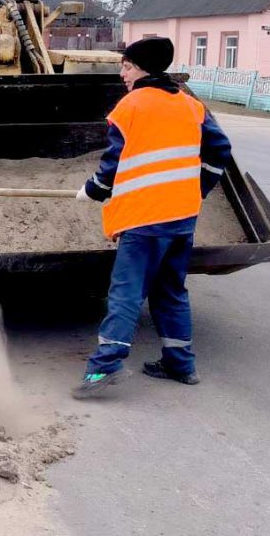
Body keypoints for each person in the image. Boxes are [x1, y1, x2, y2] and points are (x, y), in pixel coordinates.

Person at [71, 36, 232, 399]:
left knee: (126, 293)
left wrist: (92, 190)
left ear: (142, 68)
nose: (122, 75)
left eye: (126, 67)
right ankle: (181, 364)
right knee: (171, 290)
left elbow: (111, 167)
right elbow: (220, 151)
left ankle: (104, 368)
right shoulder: (192, 106)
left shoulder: (130, 108)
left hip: (144, 221)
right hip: (182, 217)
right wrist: (199, 188)